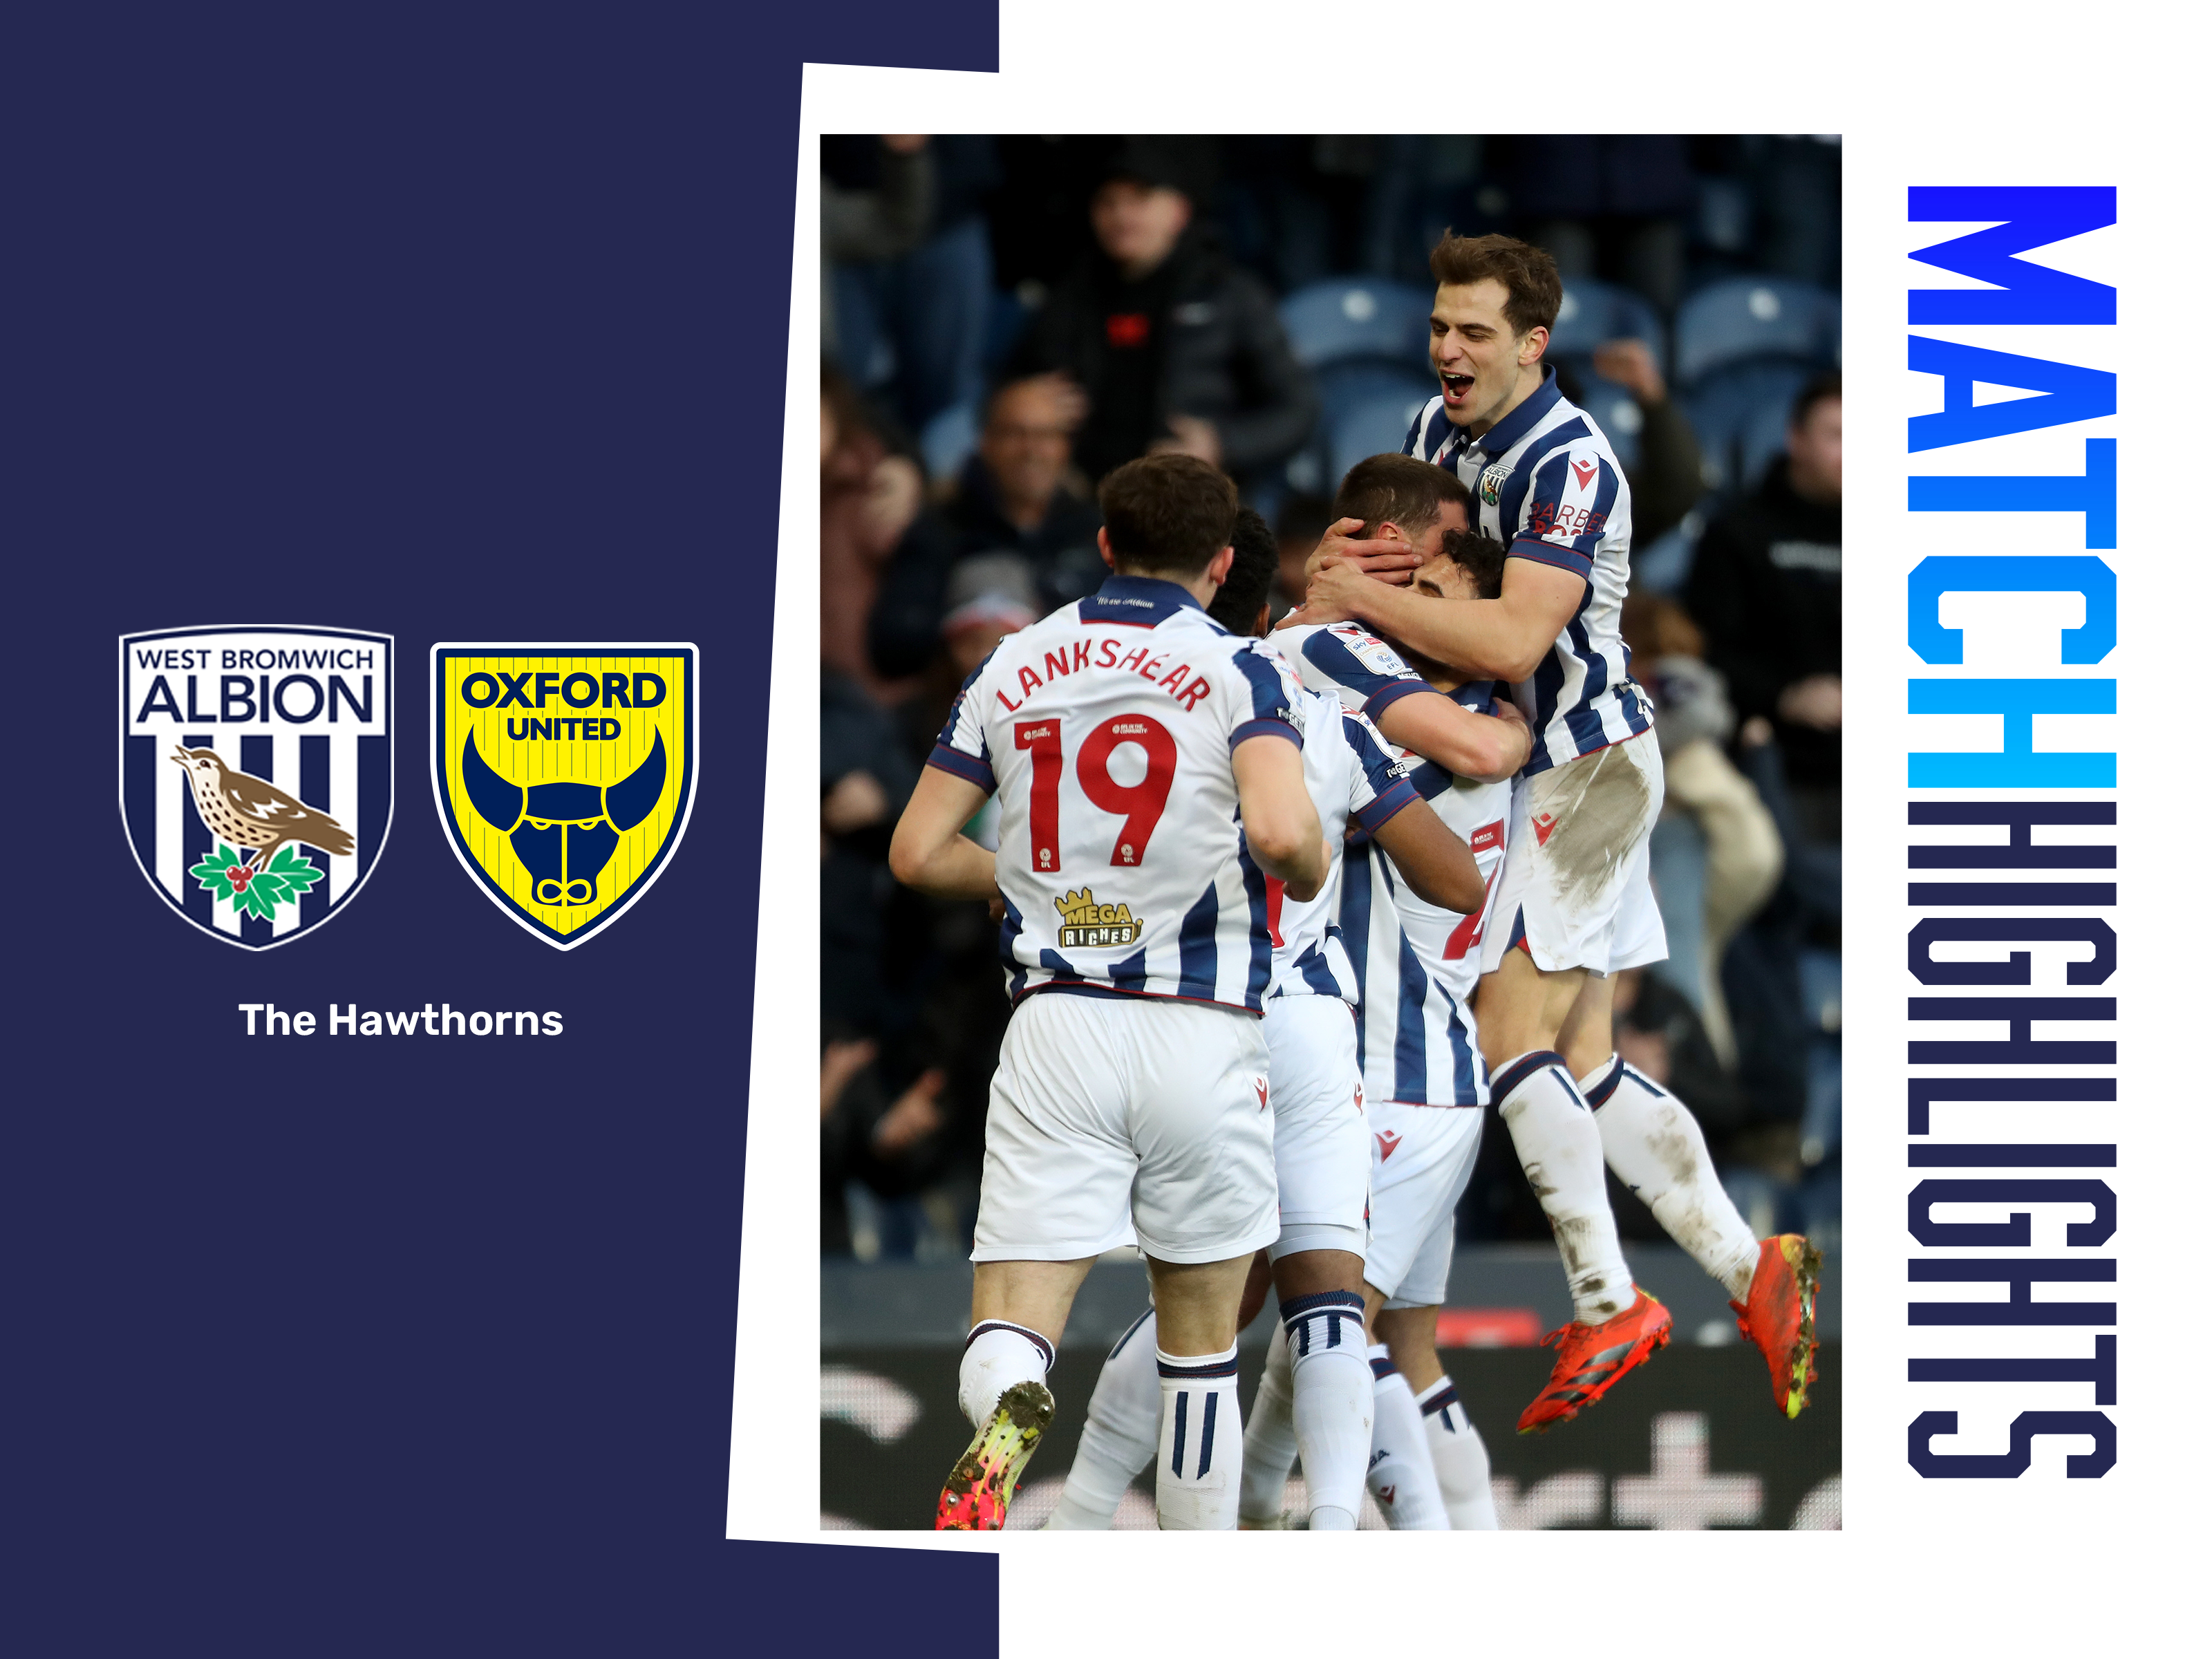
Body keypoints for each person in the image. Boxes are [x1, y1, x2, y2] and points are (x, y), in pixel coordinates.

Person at [1291, 234, 1821, 1426]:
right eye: (1438, 327)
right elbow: (1425, 588)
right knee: (1582, 1062)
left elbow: (1518, 644)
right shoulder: (1436, 435)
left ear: (1536, 342)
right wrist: (1359, 579)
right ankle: (1753, 1270)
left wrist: (1353, 600)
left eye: (1475, 332)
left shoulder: (1573, 462)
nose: (1447, 351)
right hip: (1533, 768)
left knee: (1503, 1040)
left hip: (1579, 762)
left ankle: (1605, 1299)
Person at [888, 454, 1329, 1530]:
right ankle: (1197, 1608)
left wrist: (1041, 878)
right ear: (1223, 564)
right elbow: (1277, 832)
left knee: (1012, 1319)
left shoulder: (1010, 664)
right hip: (1200, 1031)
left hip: (1057, 1026)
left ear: (1102, 545)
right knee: (1199, 1353)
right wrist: (1311, 867)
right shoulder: (1241, 669)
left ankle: (1014, 1403)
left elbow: (913, 851)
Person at [1045, 509, 1490, 1533]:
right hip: (1305, 1020)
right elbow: (1457, 881)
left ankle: (1080, 1516)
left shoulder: (1130, 720)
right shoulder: (1326, 720)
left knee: (1204, 1306)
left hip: (1180, 1021)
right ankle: (1330, 1529)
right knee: (1330, 1298)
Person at [1000, 140, 1318, 490]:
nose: (1121, 215)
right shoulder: (1070, 295)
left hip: (1192, 500)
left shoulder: (1230, 294)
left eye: (1140, 198)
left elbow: (1298, 411)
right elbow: (1011, 384)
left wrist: (1220, 444)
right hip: (1080, 499)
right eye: (1108, 202)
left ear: (1179, 210)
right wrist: (1020, 400)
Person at [1679, 373, 1843, 846]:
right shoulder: (1737, 532)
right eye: (1837, 436)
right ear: (1796, 440)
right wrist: (1785, 697)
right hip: (1780, 757)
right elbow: (1704, 648)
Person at [868, 377, 1106, 681]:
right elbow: (895, 642)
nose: (1031, 450)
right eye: (1015, 434)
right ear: (985, 442)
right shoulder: (944, 526)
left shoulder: (1094, 532)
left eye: (1046, 435)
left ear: (1065, 447)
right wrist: (966, 629)